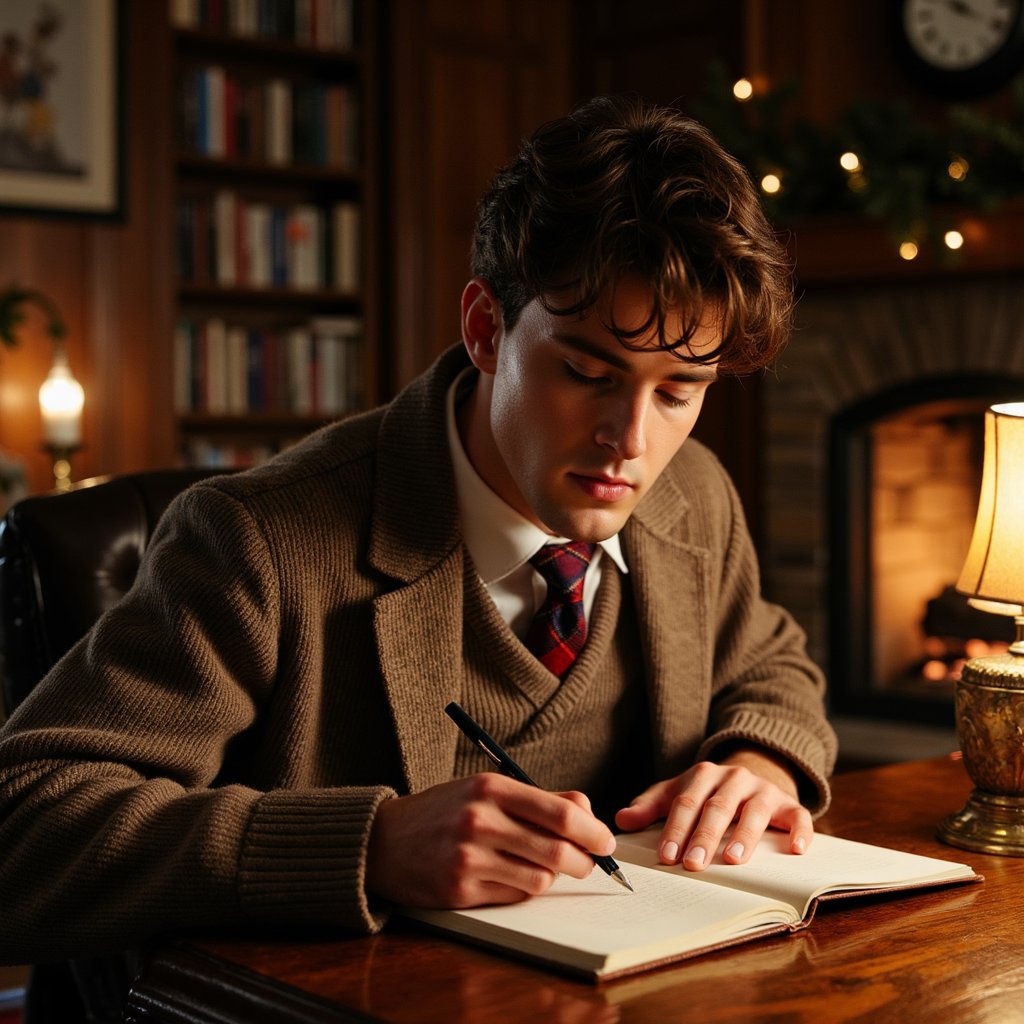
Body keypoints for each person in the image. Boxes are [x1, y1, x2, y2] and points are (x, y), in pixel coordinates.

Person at [0, 95, 836, 973]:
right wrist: (371, 846)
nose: (632, 442)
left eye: (677, 392)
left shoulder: (692, 493)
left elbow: (772, 665)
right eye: (588, 372)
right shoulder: (256, 541)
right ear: (485, 329)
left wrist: (759, 763)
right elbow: (25, 827)